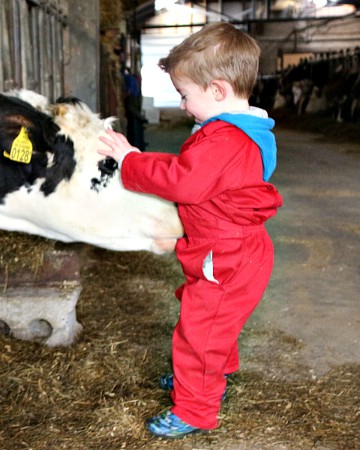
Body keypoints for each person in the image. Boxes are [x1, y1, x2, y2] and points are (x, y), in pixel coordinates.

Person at [98, 22, 283, 439]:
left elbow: (184, 180)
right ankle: (205, 378)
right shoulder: (240, 131)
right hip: (236, 251)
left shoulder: (226, 140)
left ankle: (196, 407)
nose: (183, 105)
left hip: (227, 256)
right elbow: (197, 174)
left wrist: (130, 160)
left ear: (217, 90)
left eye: (185, 95)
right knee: (217, 323)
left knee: (199, 332)